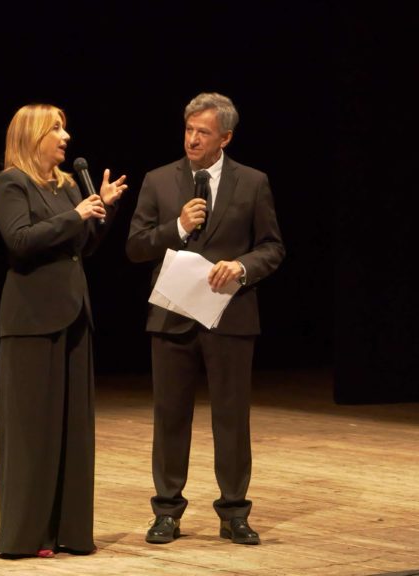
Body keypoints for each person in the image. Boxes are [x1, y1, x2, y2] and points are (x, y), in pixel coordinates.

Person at [126, 92, 284, 546]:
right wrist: (177, 227)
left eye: (203, 132)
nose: (192, 139)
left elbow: (272, 247)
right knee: (170, 417)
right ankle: (166, 511)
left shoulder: (253, 182)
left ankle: (234, 512)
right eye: (188, 130)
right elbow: (135, 247)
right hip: (172, 316)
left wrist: (242, 267)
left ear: (225, 138)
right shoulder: (159, 180)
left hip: (229, 317)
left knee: (231, 419)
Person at [0, 103, 127, 558]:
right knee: (32, 431)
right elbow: (20, 240)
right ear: (33, 136)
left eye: (65, 129)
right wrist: (77, 215)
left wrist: (102, 210)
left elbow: (82, 247)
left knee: (73, 430)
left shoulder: (67, 185)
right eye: (56, 129)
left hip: (73, 314)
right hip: (31, 320)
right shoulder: (13, 183)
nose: (66, 137)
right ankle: (27, 536)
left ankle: (68, 531)